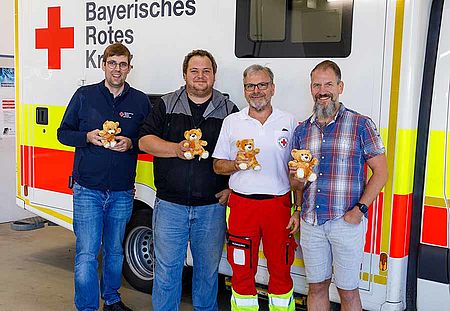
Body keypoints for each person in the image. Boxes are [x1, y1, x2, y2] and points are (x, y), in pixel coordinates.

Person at [138, 49, 238, 311]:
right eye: (194, 71)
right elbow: (145, 141)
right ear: (184, 75)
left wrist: (232, 190)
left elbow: (240, 156)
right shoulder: (166, 104)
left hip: (211, 209)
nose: (200, 76)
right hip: (170, 206)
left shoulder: (229, 110)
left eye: (206, 71)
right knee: (167, 272)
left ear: (214, 76)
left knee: (207, 273)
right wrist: (176, 149)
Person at [57, 42, 151, 311]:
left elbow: (145, 137)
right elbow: (62, 133)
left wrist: (130, 143)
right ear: (103, 65)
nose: (117, 69)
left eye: (123, 64)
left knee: (115, 251)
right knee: (87, 253)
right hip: (88, 189)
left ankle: (111, 299)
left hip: (122, 190)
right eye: (112, 63)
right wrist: (86, 137)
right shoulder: (85, 95)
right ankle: (87, 307)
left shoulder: (140, 101)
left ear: (129, 68)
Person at [291, 60, 388, 311]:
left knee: (348, 291)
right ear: (311, 89)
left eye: (328, 84)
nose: (322, 90)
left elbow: (381, 172)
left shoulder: (361, 124)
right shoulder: (302, 130)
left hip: (346, 222)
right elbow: (297, 183)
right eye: (317, 85)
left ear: (340, 86)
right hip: (311, 222)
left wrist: (359, 210)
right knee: (317, 287)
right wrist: (298, 199)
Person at [213, 64, 299, 311]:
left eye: (262, 85)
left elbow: (297, 170)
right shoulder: (232, 122)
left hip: (279, 206)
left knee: (281, 270)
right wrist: (236, 164)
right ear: (244, 90)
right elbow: (217, 166)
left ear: (272, 88)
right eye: (251, 86)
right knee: (241, 271)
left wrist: (298, 208)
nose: (256, 91)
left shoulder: (289, 121)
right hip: (242, 206)